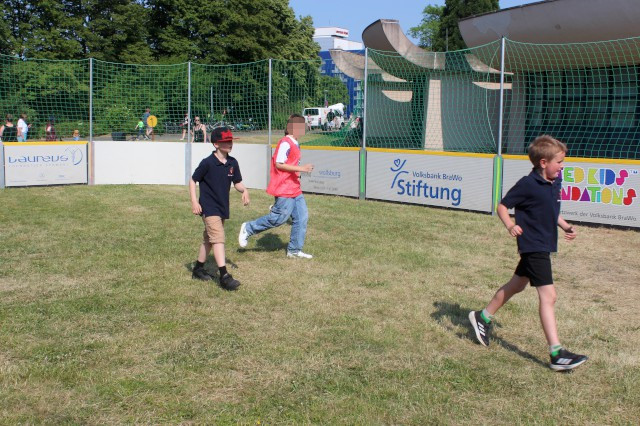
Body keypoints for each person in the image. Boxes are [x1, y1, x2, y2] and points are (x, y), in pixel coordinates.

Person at [469, 135, 588, 372]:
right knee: (549, 296)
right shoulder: (527, 184)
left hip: (544, 243)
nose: (562, 166)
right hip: (533, 245)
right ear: (543, 162)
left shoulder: (555, 181)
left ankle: (482, 317)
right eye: (559, 162)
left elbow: (549, 210)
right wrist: (510, 225)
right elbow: (503, 206)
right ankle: (556, 353)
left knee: (517, 285)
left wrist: (565, 226)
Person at [238, 114, 314, 259]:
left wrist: (298, 172)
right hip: (284, 188)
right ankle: (248, 228)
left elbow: (290, 163)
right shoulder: (285, 143)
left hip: (294, 188)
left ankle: (294, 250)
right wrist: (302, 169)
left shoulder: (295, 143)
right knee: (278, 219)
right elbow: (279, 164)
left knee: (302, 217)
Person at [190, 126, 250, 290]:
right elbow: (192, 180)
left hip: (222, 207)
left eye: (230, 141)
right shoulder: (207, 163)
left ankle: (198, 268)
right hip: (209, 208)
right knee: (218, 238)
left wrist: (244, 190)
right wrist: (195, 202)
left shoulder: (232, 162)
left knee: (209, 239)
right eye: (225, 141)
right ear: (216, 144)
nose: (229, 144)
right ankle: (224, 276)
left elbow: (236, 182)